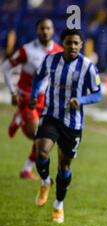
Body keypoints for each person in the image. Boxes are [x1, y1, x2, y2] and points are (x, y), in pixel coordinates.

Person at [30, 28, 103, 223]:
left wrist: (81, 100)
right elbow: (38, 77)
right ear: (62, 43)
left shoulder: (88, 67)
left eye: (76, 43)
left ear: (81, 45)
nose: (72, 46)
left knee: (64, 166)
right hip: (51, 115)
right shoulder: (51, 60)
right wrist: (34, 94)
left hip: (73, 123)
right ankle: (45, 181)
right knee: (42, 151)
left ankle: (58, 205)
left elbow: (98, 93)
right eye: (69, 42)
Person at [1, 18, 62, 180]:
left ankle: (26, 170)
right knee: (37, 135)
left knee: (43, 139)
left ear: (53, 30)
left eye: (48, 28)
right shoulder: (27, 50)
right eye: (42, 28)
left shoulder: (58, 51)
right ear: (37, 31)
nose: (45, 31)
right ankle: (20, 118)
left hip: (45, 100)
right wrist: (13, 93)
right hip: (26, 97)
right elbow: (5, 68)